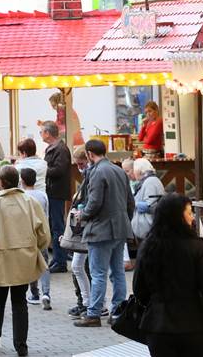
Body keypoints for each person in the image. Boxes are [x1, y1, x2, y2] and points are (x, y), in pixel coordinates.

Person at [134, 194, 203, 356]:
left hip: (158, 326)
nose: (193, 217)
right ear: (177, 217)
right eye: (189, 212)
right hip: (194, 326)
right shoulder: (197, 247)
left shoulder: (148, 247)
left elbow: (139, 289)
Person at [0, 165, 50, 357]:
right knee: (20, 301)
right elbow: (43, 234)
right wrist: (36, 247)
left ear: (0, 183)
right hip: (23, 258)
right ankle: (21, 345)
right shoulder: (30, 202)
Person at [74, 139, 135, 327]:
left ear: (90, 154)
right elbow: (130, 202)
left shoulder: (97, 172)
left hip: (101, 230)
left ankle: (93, 314)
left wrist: (81, 215)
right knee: (117, 272)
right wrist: (125, 220)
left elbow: (94, 203)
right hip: (120, 228)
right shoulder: (118, 170)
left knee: (98, 272)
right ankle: (117, 311)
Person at [40, 120, 71, 273]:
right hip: (53, 191)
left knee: (58, 226)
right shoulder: (54, 148)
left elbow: (59, 170)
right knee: (54, 225)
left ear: (47, 133)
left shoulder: (61, 149)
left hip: (57, 192)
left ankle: (61, 261)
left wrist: (43, 169)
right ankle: (58, 259)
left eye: (41, 131)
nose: (40, 134)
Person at [20, 167, 52, 310]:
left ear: (22, 181)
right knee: (44, 264)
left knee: (30, 264)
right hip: (41, 233)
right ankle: (46, 293)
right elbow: (47, 216)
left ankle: (34, 293)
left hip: (26, 235)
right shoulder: (42, 195)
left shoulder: (21, 196)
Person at [68, 145, 93, 319]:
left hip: (88, 226)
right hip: (86, 226)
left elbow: (91, 201)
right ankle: (86, 302)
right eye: (77, 164)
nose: (79, 167)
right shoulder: (89, 175)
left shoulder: (92, 175)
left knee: (80, 266)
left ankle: (89, 303)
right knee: (81, 266)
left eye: (81, 163)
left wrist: (81, 211)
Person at [131, 158, 165, 243]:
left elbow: (151, 205)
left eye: (134, 170)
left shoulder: (151, 181)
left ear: (139, 170)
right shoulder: (148, 181)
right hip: (148, 231)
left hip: (149, 231)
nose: (133, 173)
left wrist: (133, 203)